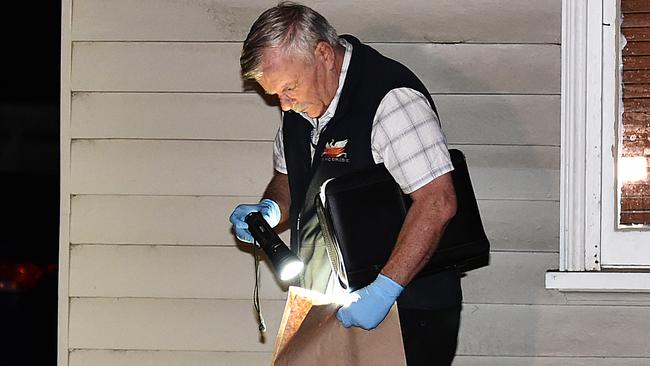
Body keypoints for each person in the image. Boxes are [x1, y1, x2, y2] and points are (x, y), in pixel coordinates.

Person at [229, 2, 461, 365]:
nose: (285, 104)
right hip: (329, 301)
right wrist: (270, 210)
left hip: (403, 308)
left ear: (323, 54)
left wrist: (384, 291)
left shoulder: (389, 99)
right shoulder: (299, 108)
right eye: (275, 94)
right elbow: (287, 178)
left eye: (288, 87)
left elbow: (438, 201)